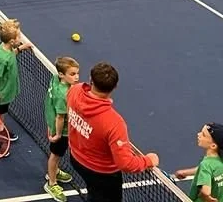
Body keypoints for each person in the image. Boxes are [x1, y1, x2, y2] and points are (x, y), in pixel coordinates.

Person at [67, 62, 160, 202]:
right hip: (102, 175)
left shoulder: (75, 90)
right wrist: (148, 161)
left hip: (76, 159)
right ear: (114, 87)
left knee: (94, 192)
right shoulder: (114, 123)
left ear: (91, 80)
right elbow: (126, 164)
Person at [0, 19, 32, 148]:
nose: (21, 38)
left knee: (2, 113)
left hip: (8, 92)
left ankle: (0, 130)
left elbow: (12, 54)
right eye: (19, 37)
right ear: (12, 41)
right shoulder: (2, 58)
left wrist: (22, 48)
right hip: (1, 94)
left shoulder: (7, 48)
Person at [44, 57, 81, 202]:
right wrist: (58, 134)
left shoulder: (55, 79)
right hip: (62, 131)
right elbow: (60, 117)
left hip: (51, 121)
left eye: (77, 73)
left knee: (56, 155)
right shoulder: (64, 95)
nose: (76, 77)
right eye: (72, 74)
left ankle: (55, 172)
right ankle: (51, 183)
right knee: (55, 156)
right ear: (61, 74)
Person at [175, 124, 223, 202]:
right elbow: (207, 171)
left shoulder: (206, 165)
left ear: (213, 146)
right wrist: (186, 173)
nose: (199, 134)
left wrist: (206, 198)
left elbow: (206, 191)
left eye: (203, 135)